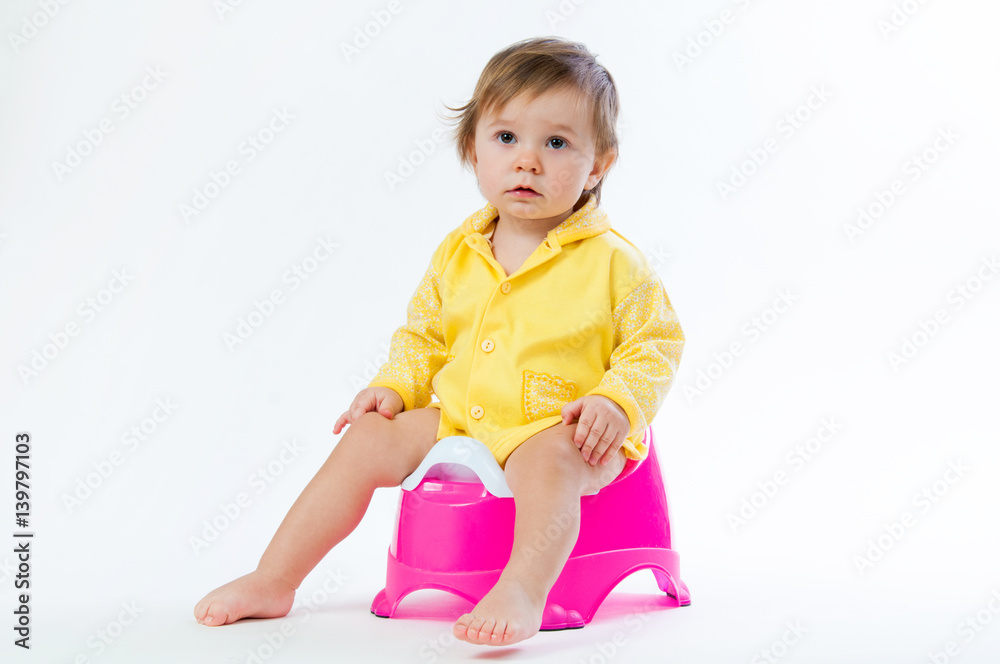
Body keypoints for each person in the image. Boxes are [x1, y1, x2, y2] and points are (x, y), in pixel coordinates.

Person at [194, 35, 684, 647]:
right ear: (472, 149)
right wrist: (395, 386)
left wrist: (617, 403)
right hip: (461, 415)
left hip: (561, 427)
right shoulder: (460, 250)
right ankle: (275, 577)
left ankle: (524, 588)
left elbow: (656, 343)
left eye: (556, 143)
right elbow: (424, 333)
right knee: (367, 439)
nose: (527, 160)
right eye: (506, 138)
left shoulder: (614, 262)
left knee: (552, 464)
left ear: (599, 163)